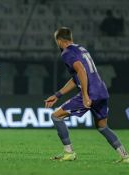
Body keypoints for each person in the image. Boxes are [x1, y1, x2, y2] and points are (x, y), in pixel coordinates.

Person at [44, 27, 129, 163]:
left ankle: (69, 153)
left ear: (60, 41)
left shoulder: (66, 53)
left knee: (56, 117)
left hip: (91, 93)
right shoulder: (81, 49)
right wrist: (58, 94)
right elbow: (76, 77)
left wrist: (85, 96)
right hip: (102, 91)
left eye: (56, 41)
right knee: (102, 127)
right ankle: (125, 156)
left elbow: (82, 72)